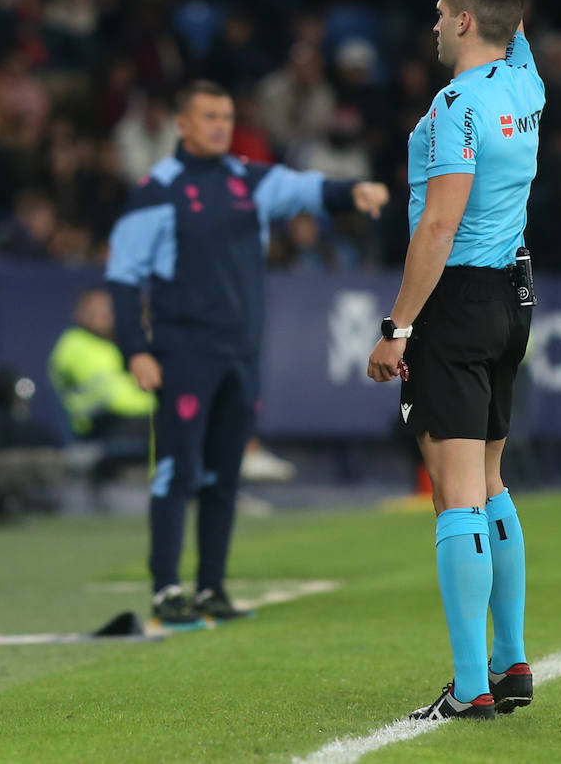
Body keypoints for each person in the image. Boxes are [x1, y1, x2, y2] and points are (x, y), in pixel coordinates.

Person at [366, 0, 541, 723]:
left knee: (454, 492)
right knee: (496, 480)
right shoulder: (521, 80)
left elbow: (436, 225)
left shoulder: (451, 110)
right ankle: (510, 666)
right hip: (514, 294)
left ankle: (471, 683)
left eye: (443, 11)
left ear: (464, 21)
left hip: (461, 299)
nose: (435, 22)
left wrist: (398, 327)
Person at [106, 79, 388, 628]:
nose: (219, 125)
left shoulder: (247, 181)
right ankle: (166, 585)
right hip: (184, 351)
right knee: (176, 470)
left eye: (226, 116)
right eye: (208, 115)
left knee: (224, 476)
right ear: (182, 125)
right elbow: (122, 280)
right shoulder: (157, 190)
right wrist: (135, 350)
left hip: (240, 353)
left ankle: (211, 586)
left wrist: (354, 191)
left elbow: (306, 189)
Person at [48, 288, 153, 440]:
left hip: (127, 420)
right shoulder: (75, 343)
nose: (104, 314)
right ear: (80, 313)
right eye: (95, 309)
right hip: (98, 425)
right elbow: (115, 398)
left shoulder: (111, 343)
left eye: (108, 308)